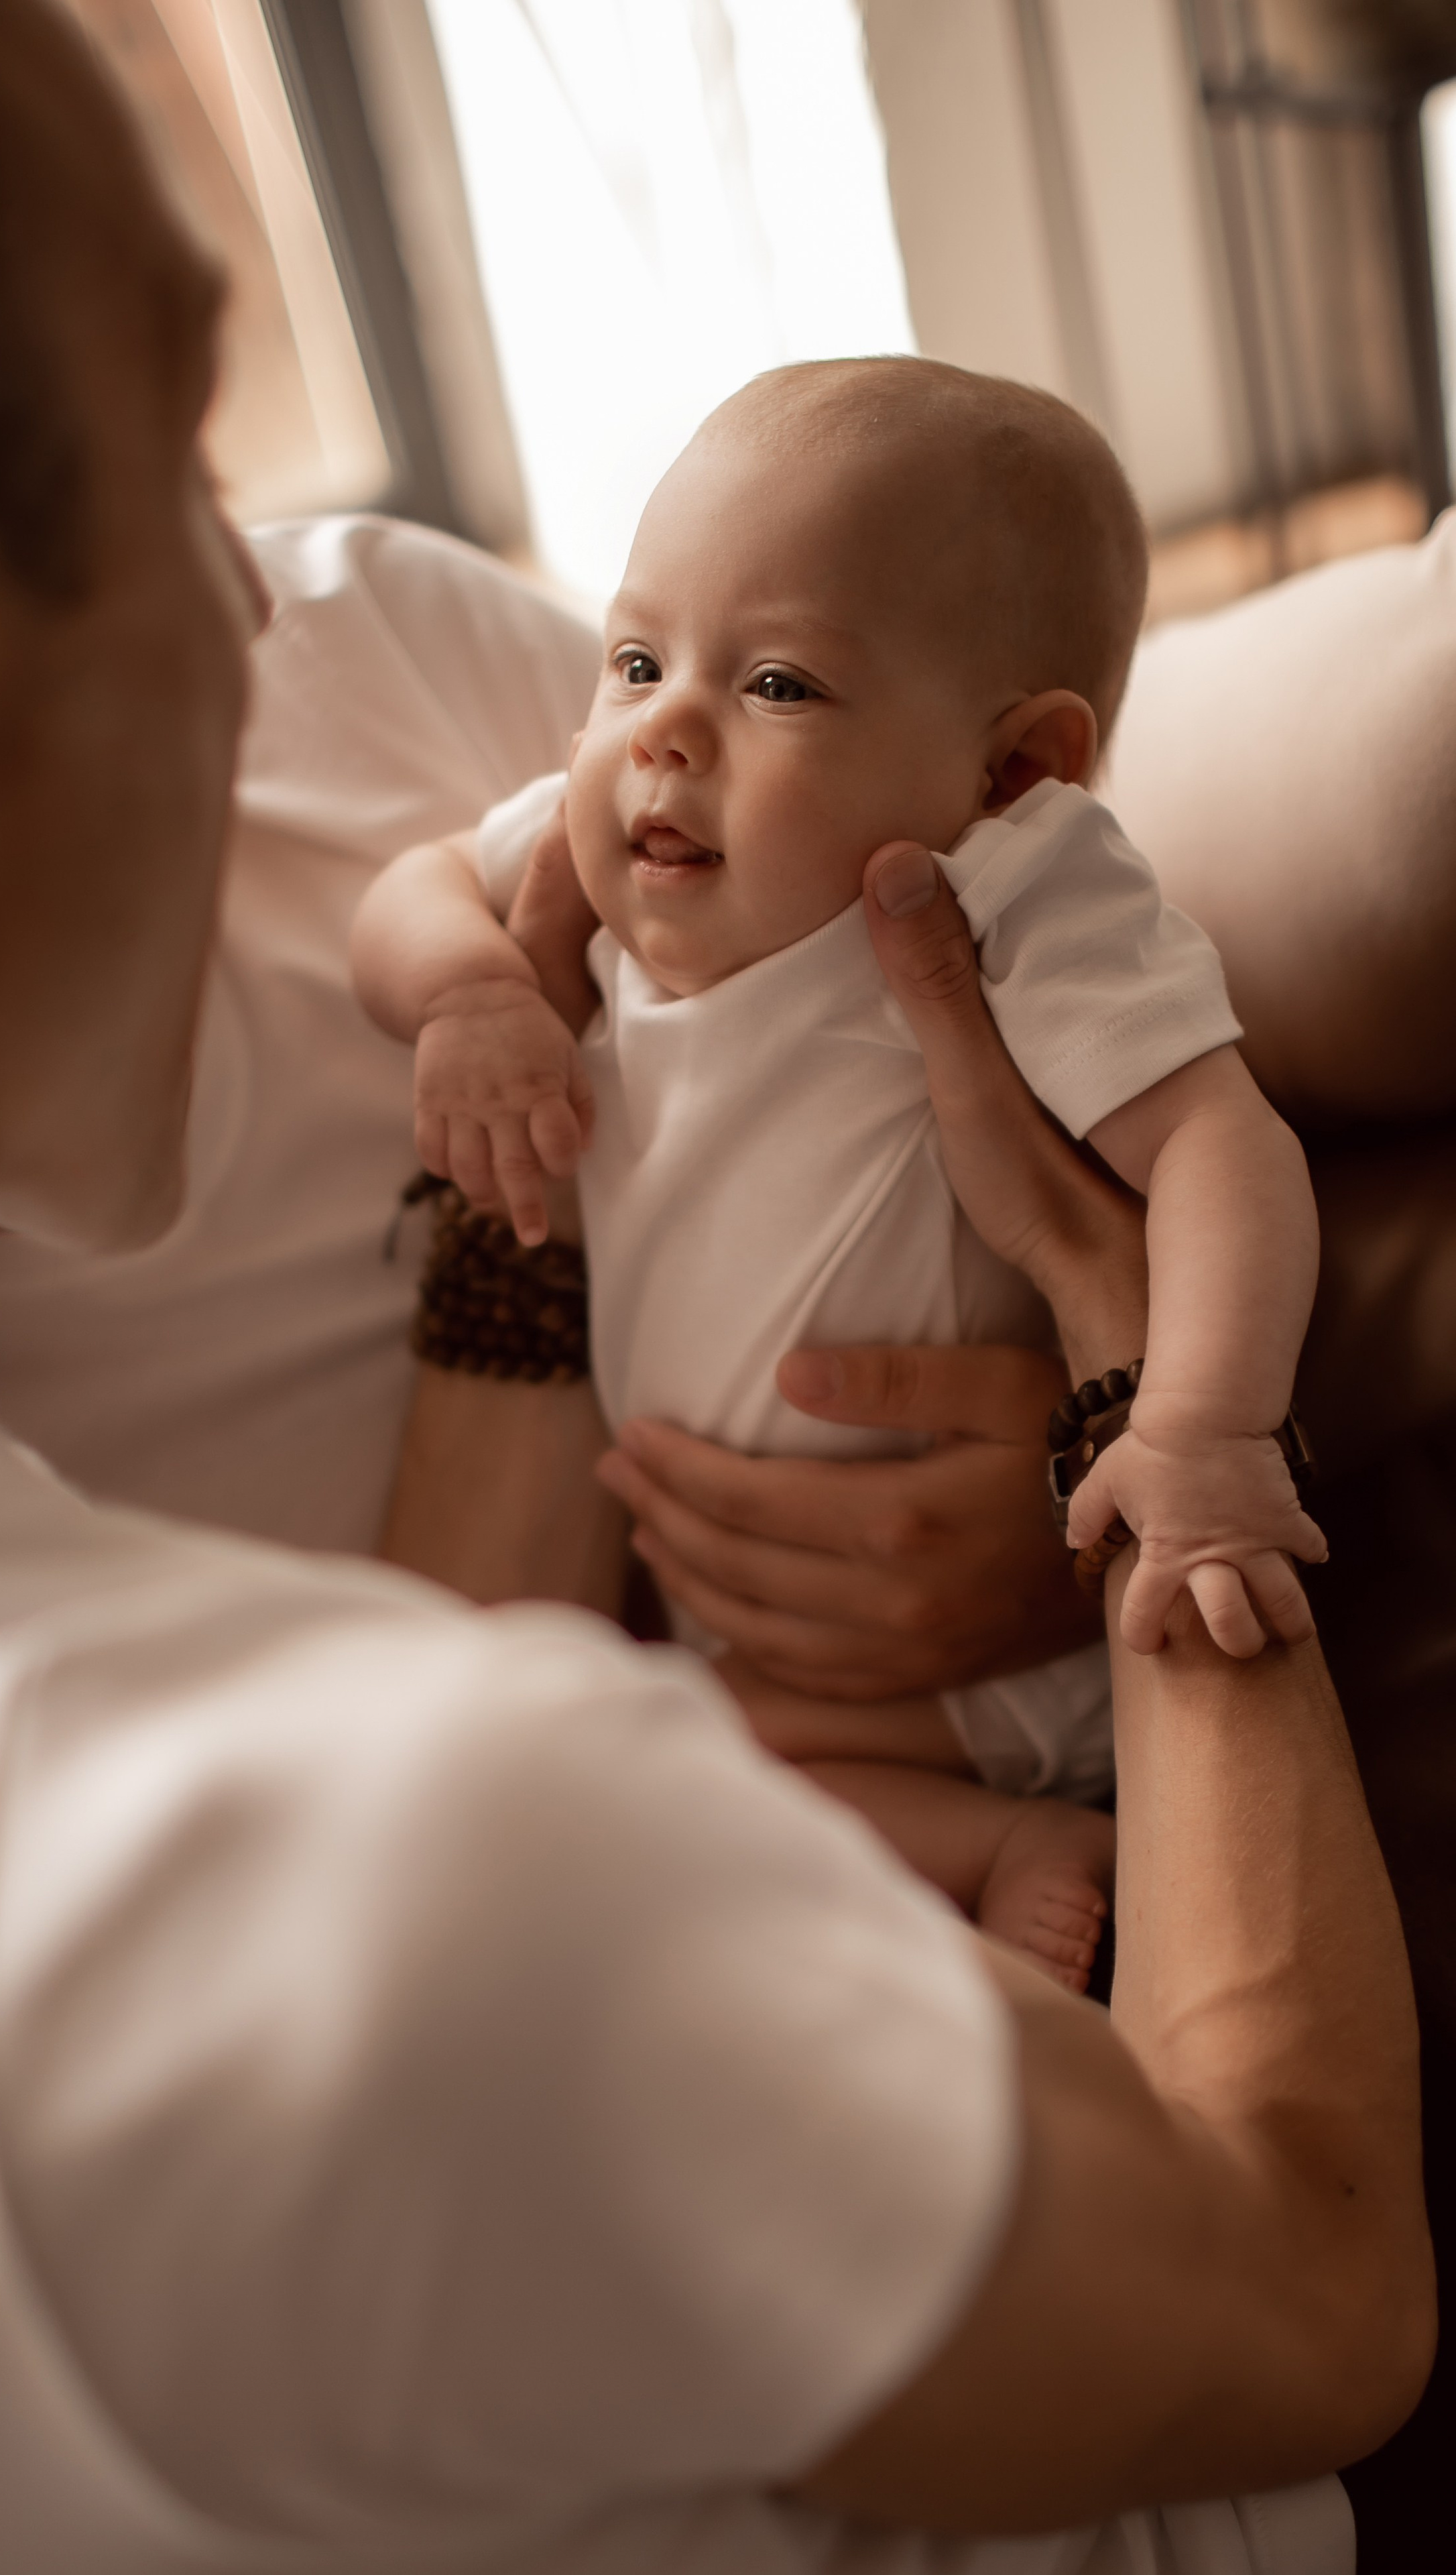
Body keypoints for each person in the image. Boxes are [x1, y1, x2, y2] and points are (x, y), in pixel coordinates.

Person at [0, 7, 1427, 2574]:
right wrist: (1128, 1407)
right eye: (193, 446)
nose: (263, 596)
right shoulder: (371, 1867)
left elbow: (914, 846)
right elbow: (1316, 2281)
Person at [349, 359, 1323, 1985]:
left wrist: (1203, 1429)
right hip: (785, 1646)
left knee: (660, 1757)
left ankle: (1010, 1844)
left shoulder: (1005, 891)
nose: (662, 726)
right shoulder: (610, 862)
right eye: (637, 657)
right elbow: (415, 883)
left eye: (778, 685)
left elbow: (1223, 1145)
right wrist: (462, 993)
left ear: (1012, 770)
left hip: (994, 1626)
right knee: (631, 1758)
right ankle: (964, 1899)